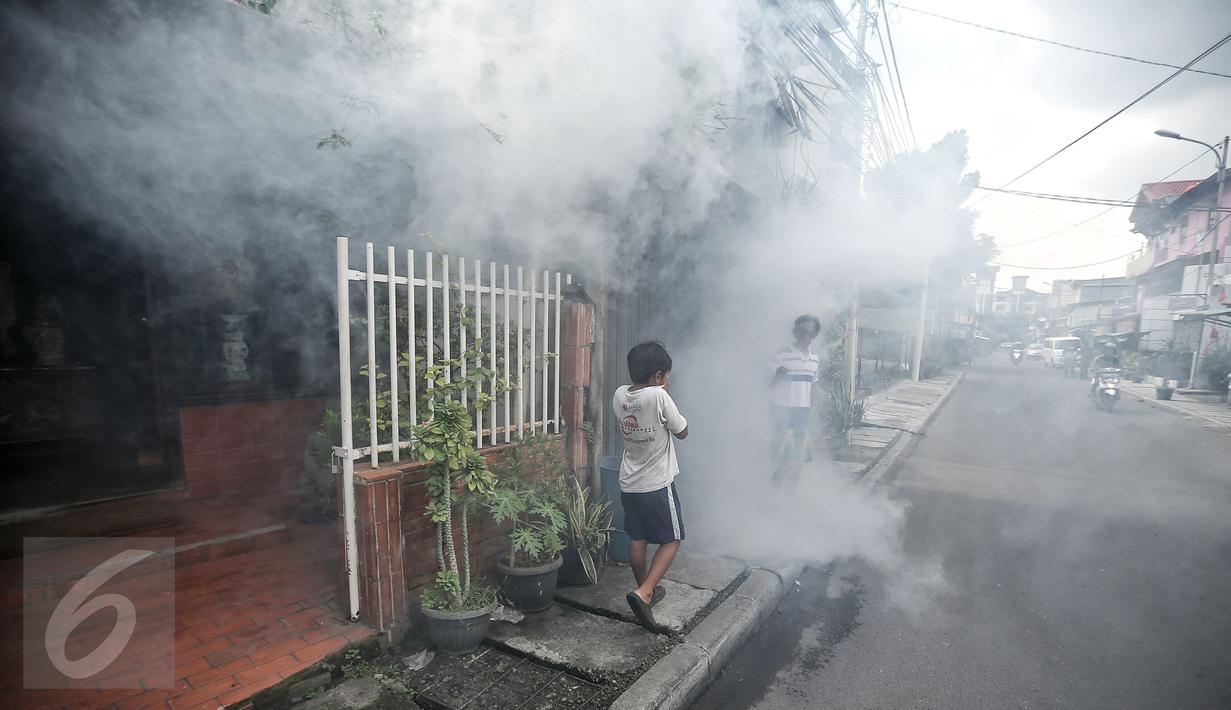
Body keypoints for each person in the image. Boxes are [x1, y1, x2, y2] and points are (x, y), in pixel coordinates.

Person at [613, 341, 689, 631]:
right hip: (657, 484)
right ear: (658, 376)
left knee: (638, 538)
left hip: (629, 482)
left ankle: (645, 589)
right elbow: (682, 432)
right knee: (673, 539)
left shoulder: (620, 394)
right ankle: (644, 593)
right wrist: (665, 393)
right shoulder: (659, 396)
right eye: (666, 375)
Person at [770, 315, 821, 488]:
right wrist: (776, 376)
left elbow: (813, 386)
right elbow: (766, 385)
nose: (807, 335)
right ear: (795, 332)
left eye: (811, 332)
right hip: (783, 412)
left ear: (815, 335)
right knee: (786, 458)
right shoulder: (782, 354)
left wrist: (815, 410)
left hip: (803, 414)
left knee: (799, 460)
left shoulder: (815, 358)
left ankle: (789, 498)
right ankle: (772, 492)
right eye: (803, 331)